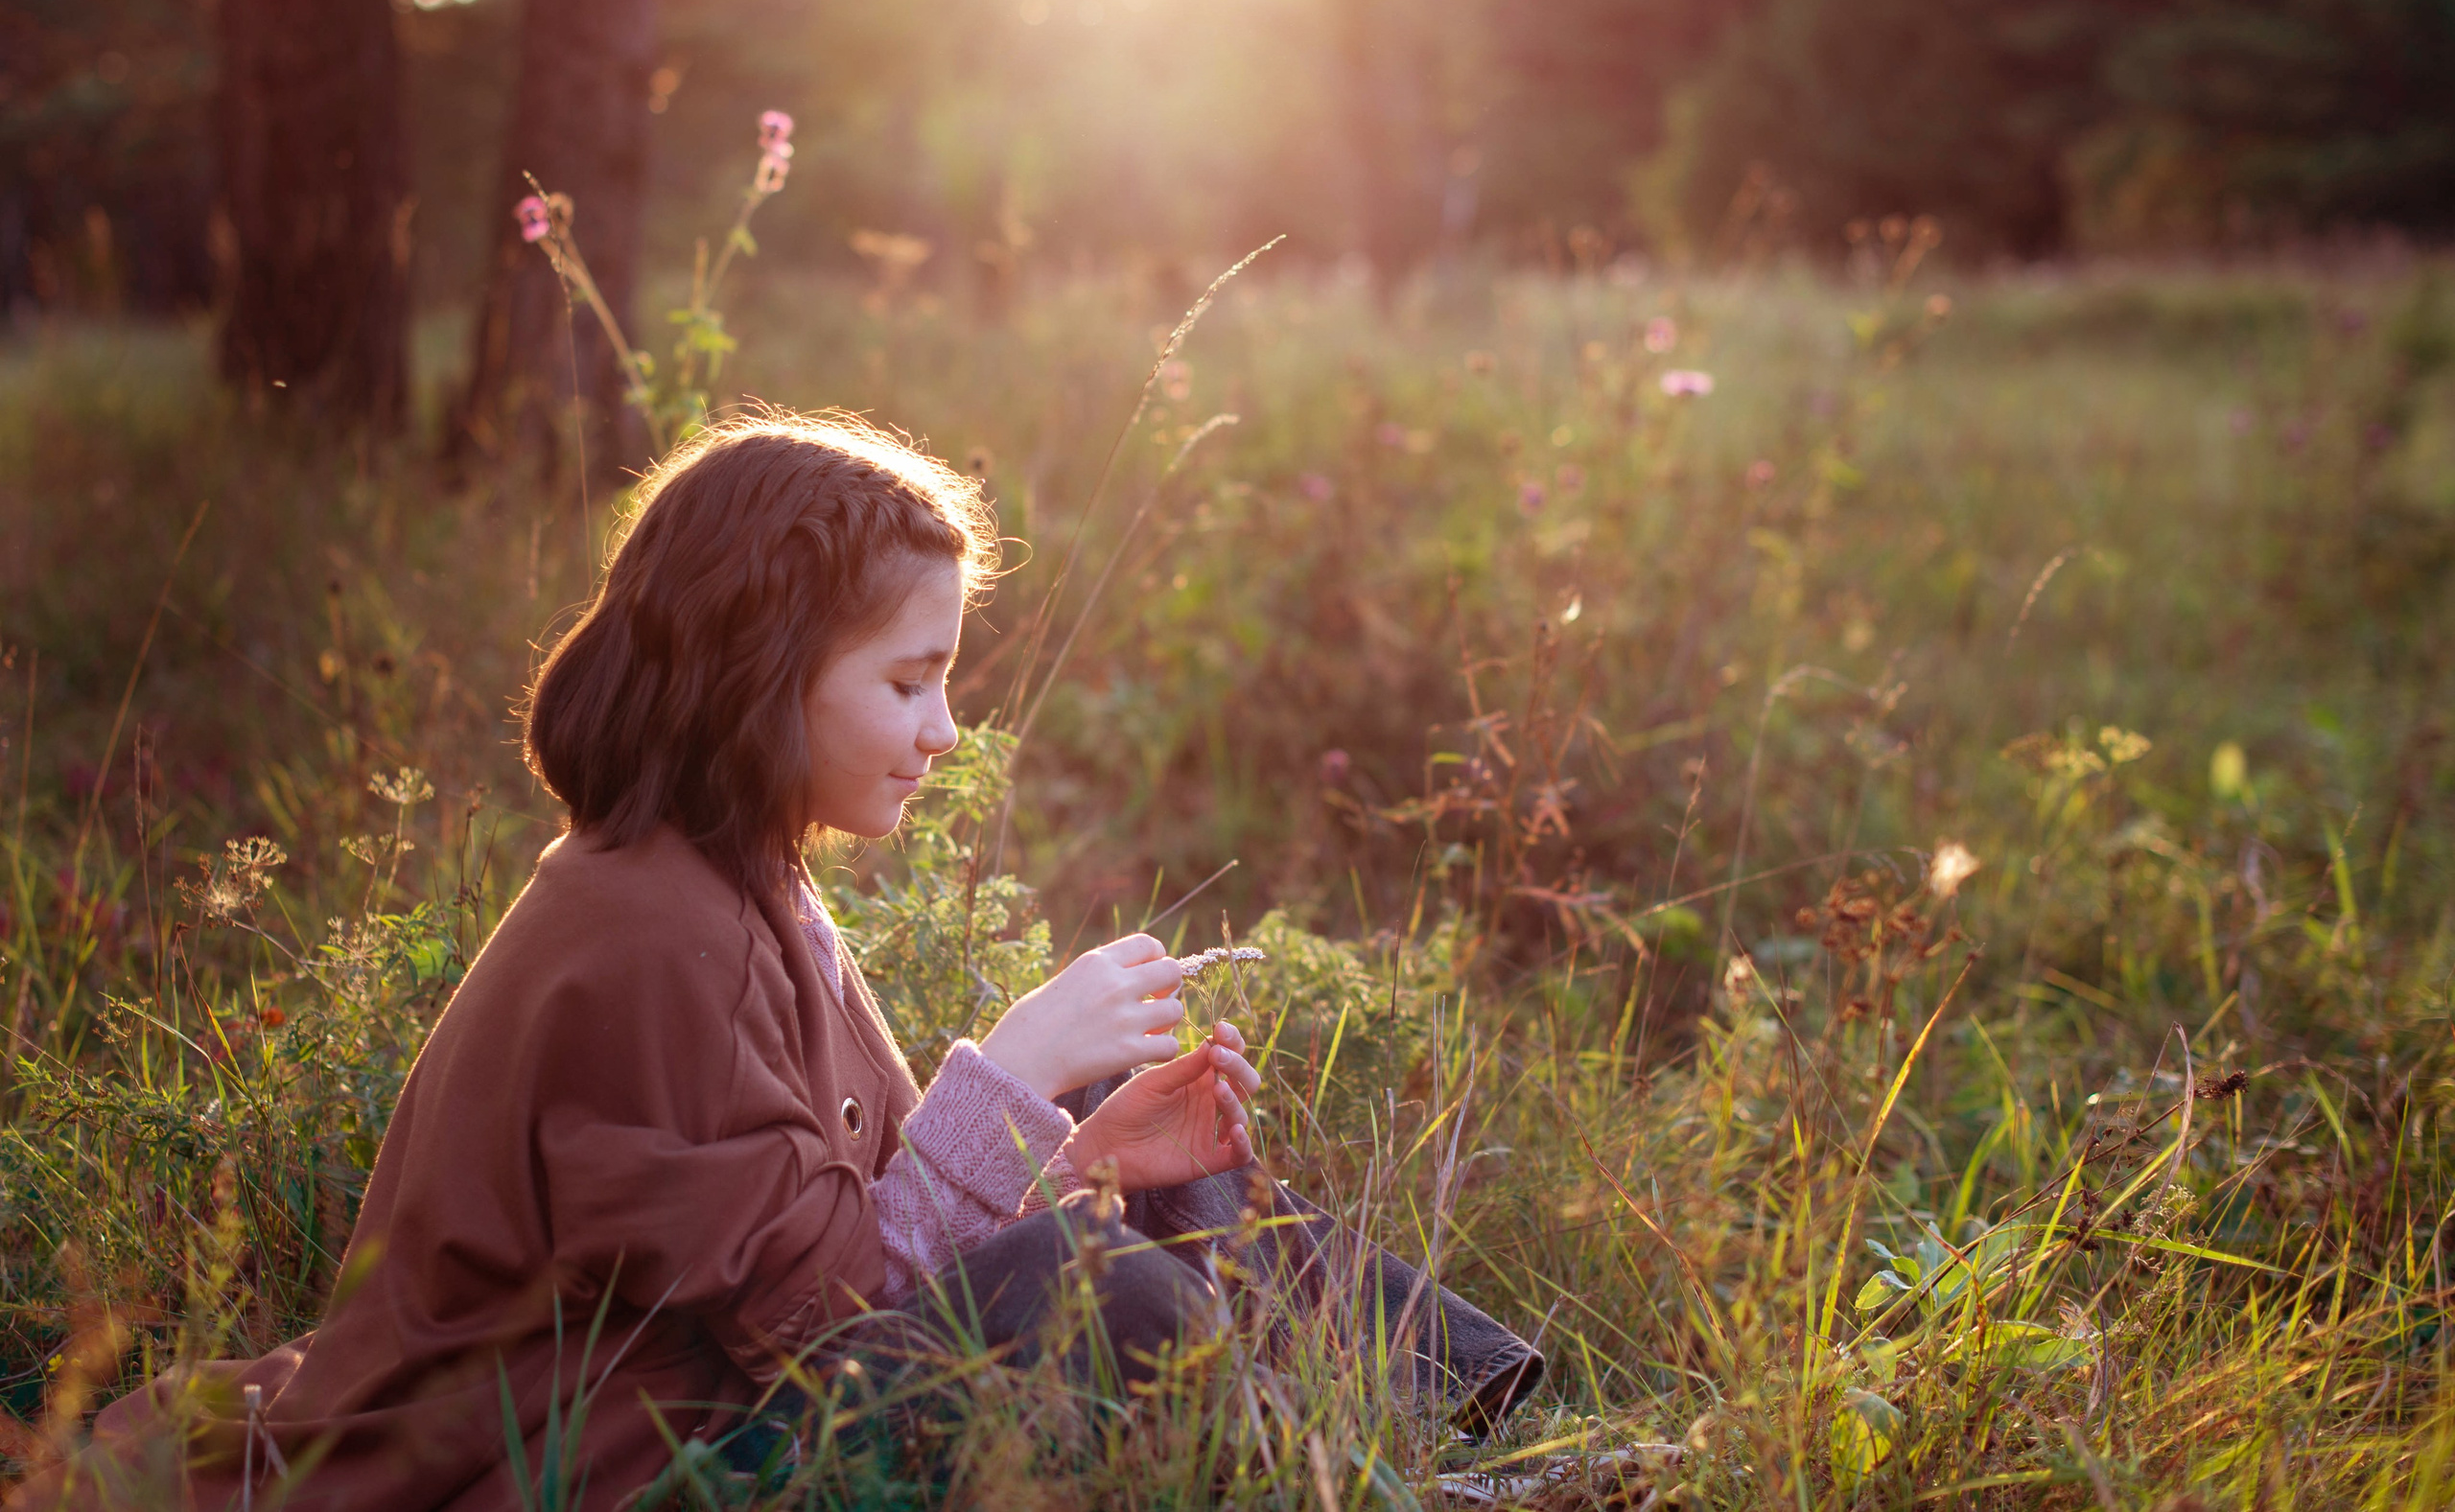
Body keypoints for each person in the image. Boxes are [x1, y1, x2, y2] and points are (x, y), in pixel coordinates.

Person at [8, 412, 1536, 1512]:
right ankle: (1342, 1469)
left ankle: (1479, 1441)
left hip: (720, 1397)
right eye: (908, 682)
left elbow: (851, 1232)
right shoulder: (645, 929)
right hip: (605, 1459)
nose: (945, 730)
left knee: (1150, 1174)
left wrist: (1078, 1150)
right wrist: (1011, 1071)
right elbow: (823, 1313)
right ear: (761, 677)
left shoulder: (745, 875)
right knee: (1097, 1285)